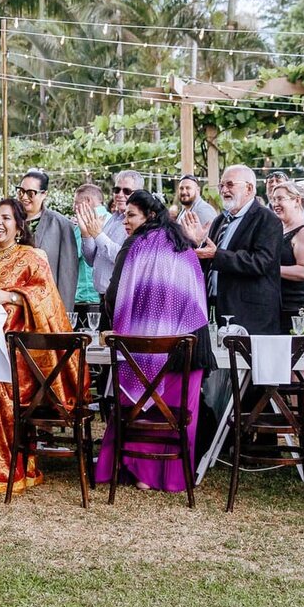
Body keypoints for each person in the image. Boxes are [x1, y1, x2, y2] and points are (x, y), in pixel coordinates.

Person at [0, 199, 83, 494]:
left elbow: (47, 297)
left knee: (7, 403)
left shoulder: (32, 257)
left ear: (19, 227)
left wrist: (9, 297)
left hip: (18, 352)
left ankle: (15, 468)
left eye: (6, 218)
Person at [94, 190, 211, 492]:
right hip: (188, 343)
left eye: (131, 215)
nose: (125, 222)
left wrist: (115, 322)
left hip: (144, 346)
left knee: (138, 403)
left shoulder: (136, 244)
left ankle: (137, 470)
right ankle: (168, 475)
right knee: (177, 411)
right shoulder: (182, 245)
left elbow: (114, 292)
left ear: (150, 216)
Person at [182, 165, 283, 335]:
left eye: (230, 185)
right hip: (216, 307)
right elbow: (209, 255)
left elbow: (261, 262)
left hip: (249, 313)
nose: (224, 190)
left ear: (249, 188)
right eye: (221, 186)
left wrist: (216, 255)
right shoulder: (220, 220)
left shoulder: (267, 219)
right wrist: (198, 244)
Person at [15, 170, 79, 306]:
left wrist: (64, 312)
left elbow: (68, 274)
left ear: (44, 194)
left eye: (30, 193)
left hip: (45, 304)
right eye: (21, 191)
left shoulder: (61, 224)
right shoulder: (8, 221)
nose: (24, 197)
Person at [78, 171, 142, 297]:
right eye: (117, 190)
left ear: (139, 193)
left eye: (126, 191)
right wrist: (86, 235)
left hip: (122, 296)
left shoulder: (139, 222)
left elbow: (124, 258)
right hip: (103, 296)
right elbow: (92, 260)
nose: (120, 195)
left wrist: (98, 235)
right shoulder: (112, 219)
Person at [270, 181, 304, 325]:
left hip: (300, 311)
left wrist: (269, 269)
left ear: (297, 200)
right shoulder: (281, 230)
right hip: (281, 307)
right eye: (273, 199)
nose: (275, 204)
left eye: (280, 199)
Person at [71, 184, 104, 321]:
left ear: (87, 202)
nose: (73, 207)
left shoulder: (84, 222)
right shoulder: (113, 220)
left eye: (76, 203)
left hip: (86, 295)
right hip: (106, 295)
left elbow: (73, 256)